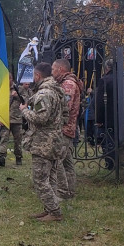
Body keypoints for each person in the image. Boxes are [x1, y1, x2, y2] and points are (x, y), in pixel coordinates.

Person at [21, 62, 65, 222]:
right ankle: (49, 209)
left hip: (43, 143)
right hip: (53, 140)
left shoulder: (44, 94)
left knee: (40, 179)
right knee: (50, 178)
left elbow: (41, 118)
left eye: (34, 75)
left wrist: (25, 111)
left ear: (38, 76)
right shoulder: (55, 91)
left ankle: (54, 211)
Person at [51, 58, 84, 204]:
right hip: (66, 128)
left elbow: (65, 107)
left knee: (57, 161)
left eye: (53, 69)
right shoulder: (65, 82)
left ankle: (63, 192)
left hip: (64, 128)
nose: (51, 72)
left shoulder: (68, 84)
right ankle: (70, 190)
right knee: (67, 162)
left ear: (60, 69)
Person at [0, 78, 25, 167]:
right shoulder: (1, 89)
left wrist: (17, 96)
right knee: (4, 138)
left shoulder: (19, 89)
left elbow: (26, 101)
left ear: (11, 79)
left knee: (18, 140)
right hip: (5, 119)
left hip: (16, 119)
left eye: (8, 79)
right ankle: (1, 157)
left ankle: (18, 157)